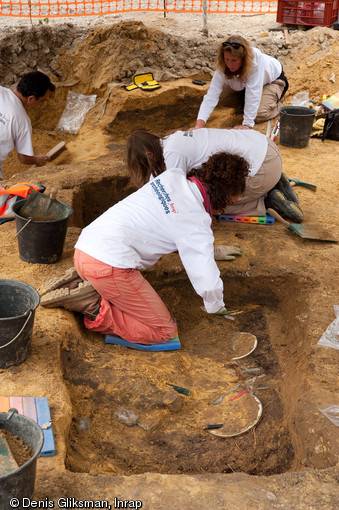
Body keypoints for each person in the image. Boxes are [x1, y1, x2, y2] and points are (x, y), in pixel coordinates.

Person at [40, 152, 249, 346]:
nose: (225, 209)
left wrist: (209, 252)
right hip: (108, 266)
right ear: (221, 198)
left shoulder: (172, 177)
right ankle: (92, 306)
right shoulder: (196, 221)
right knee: (163, 332)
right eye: (228, 204)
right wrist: (216, 306)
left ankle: (82, 279)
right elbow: (207, 282)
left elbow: (170, 224)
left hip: (86, 248)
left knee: (109, 271)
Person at [126, 128, 303, 223]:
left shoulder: (173, 155)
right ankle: (273, 181)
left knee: (206, 204)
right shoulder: (173, 140)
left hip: (262, 168)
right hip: (263, 147)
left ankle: (265, 201)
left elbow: (179, 201)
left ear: (149, 156)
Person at [192, 35, 289, 130]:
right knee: (221, 100)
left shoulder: (255, 61)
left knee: (259, 114)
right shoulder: (223, 63)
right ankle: (246, 102)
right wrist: (199, 125)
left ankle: (276, 102)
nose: (230, 64)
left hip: (272, 81)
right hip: (244, 84)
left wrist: (247, 124)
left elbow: (253, 92)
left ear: (243, 59)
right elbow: (212, 94)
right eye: (227, 59)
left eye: (234, 60)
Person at [0, 71, 55, 180]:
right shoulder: (22, 120)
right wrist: (36, 159)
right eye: (42, 101)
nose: (41, 104)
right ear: (31, 98)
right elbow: (24, 158)